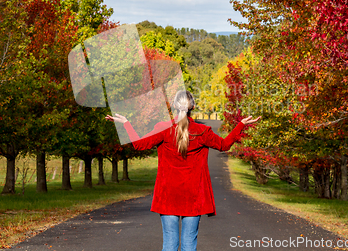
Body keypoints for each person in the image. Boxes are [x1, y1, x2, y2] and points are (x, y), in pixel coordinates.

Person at [105, 90, 260, 251]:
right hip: (193, 197)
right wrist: (240, 125)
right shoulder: (203, 131)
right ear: (192, 106)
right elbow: (224, 145)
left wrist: (126, 123)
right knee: (189, 245)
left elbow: (139, 144)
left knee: (170, 244)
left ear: (174, 106)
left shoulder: (163, 128)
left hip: (168, 196)